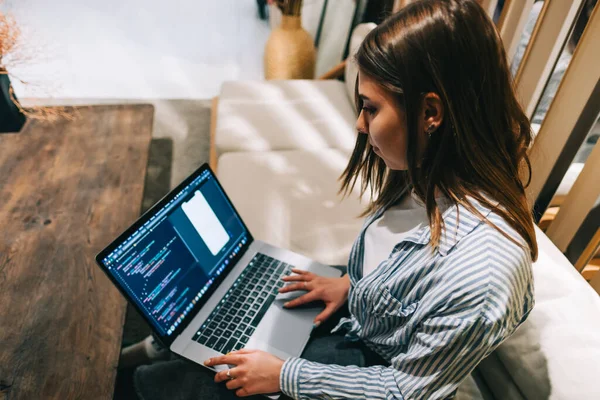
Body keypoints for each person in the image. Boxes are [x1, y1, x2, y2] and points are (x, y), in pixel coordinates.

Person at [134, 0, 537, 398]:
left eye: (371, 108)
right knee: (232, 313)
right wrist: (350, 286)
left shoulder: (481, 276)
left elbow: (405, 391)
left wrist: (284, 376)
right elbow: (400, 269)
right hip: (360, 321)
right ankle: (167, 348)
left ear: (431, 112)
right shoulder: (429, 173)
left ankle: (151, 366)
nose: (360, 126)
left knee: (181, 383)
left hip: (376, 368)